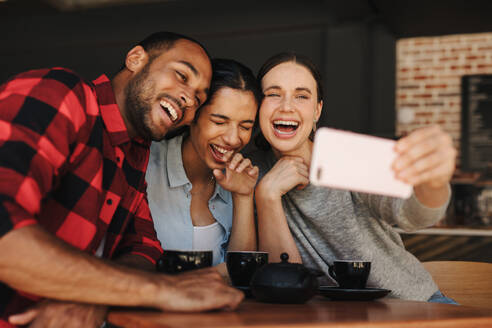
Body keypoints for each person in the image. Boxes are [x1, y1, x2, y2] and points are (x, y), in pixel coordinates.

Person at [0, 32, 243, 328]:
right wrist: (161, 291)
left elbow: (142, 247)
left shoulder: (134, 154)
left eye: (199, 99)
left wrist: (95, 295)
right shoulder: (63, 94)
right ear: (136, 59)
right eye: (182, 76)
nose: (189, 99)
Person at [250, 52, 458, 303]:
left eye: (301, 96)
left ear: (317, 110)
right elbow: (283, 280)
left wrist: (433, 182)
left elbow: (413, 215)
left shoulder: (345, 157)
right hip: (332, 317)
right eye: (273, 94)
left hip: (413, 304)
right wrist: (268, 196)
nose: (286, 106)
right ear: (257, 106)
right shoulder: (251, 173)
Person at [146, 58, 261, 277]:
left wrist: (243, 197)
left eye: (245, 126)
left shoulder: (242, 178)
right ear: (192, 115)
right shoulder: (145, 163)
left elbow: (243, 276)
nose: (233, 138)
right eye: (219, 122)